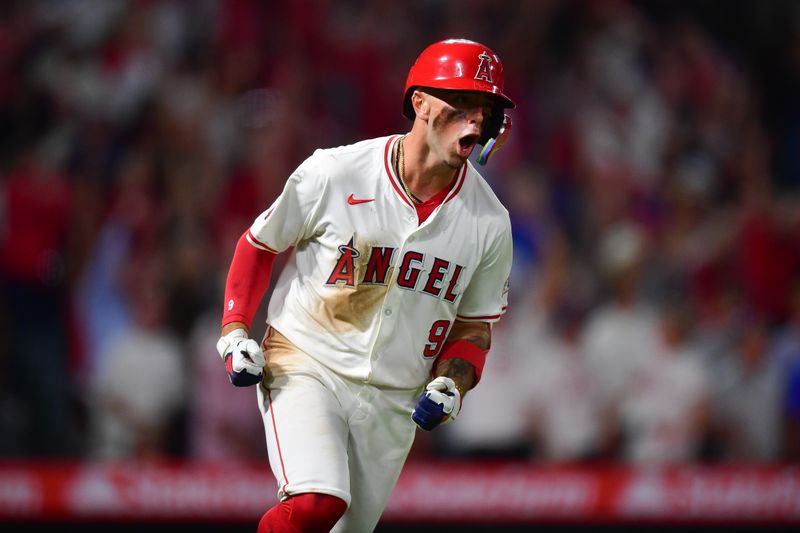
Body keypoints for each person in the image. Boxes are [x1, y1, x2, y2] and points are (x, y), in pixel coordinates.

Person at [216, 38, 515, 532]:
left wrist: (452, 383)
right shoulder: (336, 171)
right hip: (307, 360)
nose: (477, 119)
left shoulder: (489, 221)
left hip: (394, 399)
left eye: (486, 107)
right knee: (317, 501)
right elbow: (260, 244)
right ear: (419, 102)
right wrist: (234, 329)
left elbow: (474, 327)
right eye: (461, 103)